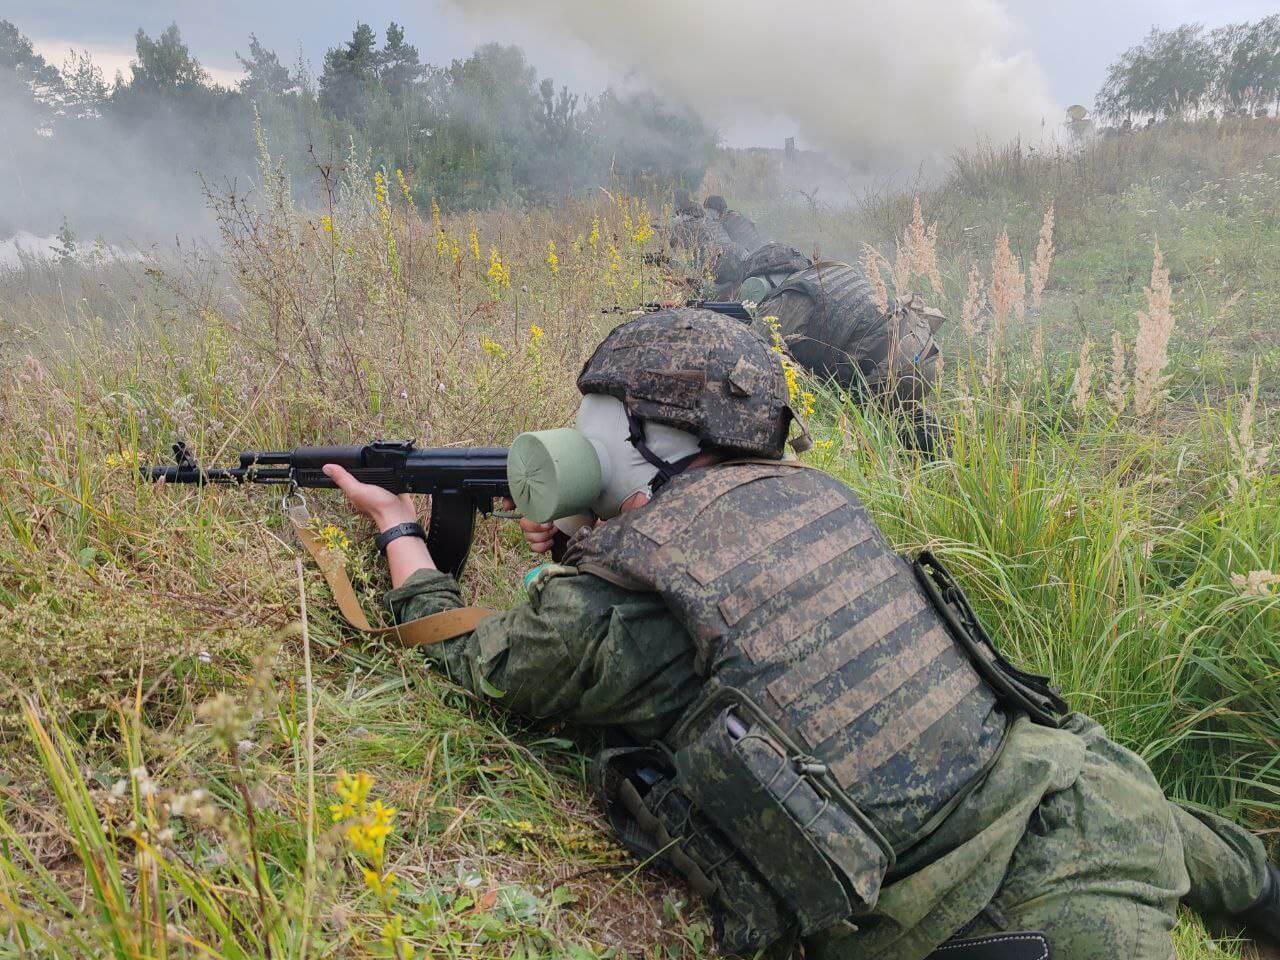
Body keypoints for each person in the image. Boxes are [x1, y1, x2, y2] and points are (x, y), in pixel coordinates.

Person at [323, 309, 1278, 960]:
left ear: (640, 436)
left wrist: (398, 530)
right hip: (1096, 788)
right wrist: (596, 541)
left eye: (591, 422)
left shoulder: (629, 592)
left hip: (1011, 913)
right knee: (1247, 878)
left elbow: (470, 657)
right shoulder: (812, 494)